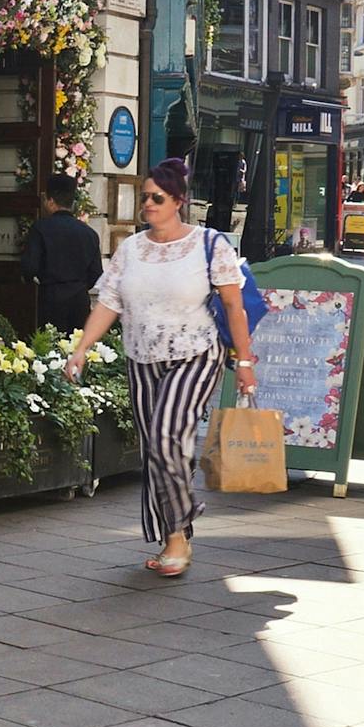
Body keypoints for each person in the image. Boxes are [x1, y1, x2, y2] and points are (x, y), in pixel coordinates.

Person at [64, 158, 256, 578]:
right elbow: (109, 302)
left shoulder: (209, 245)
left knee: (168, 437)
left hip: (196, 354)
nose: (147, 204)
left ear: (179, 202)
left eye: (157, 198)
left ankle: (180, 523)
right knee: (157, 449)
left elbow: (233, 306)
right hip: (142, 358)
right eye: (144, 197)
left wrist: (243, 361)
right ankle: (176, 533)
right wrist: (81, 349)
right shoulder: (132, 248)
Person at [20, 174, 103, 335]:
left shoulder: (41, 228)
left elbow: (29, 267)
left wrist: (33, 280)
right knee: (77, 346)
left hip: (51, 298)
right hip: (80, 300)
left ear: (51, 202)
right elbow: (96, 274)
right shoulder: (89, 233)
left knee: (50, 349)